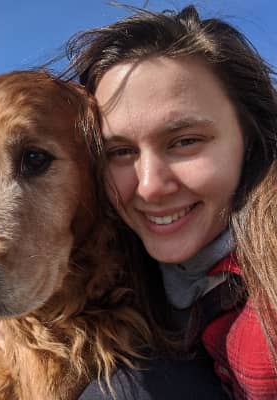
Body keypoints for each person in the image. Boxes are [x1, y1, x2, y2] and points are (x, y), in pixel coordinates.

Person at [63, 4, 277, 399]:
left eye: (185, 141)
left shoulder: (265, 314)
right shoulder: (112, 266)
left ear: (250, 139)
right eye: (120, 152)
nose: (150, 187)